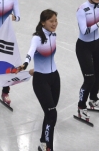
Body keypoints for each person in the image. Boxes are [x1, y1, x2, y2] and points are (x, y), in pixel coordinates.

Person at [16, 9, 60, 151]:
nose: (54, 23)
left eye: (55, 20)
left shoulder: (53, 35)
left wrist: (38, 67)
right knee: (52, 113)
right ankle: (48, 147)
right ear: (43, 22)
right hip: (41, 81)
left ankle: (43, 141)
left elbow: (46, 58)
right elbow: (30, 52)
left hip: (55, 78)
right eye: (51, 21)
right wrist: (25, 64)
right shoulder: (37, 38)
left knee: (50, 113)